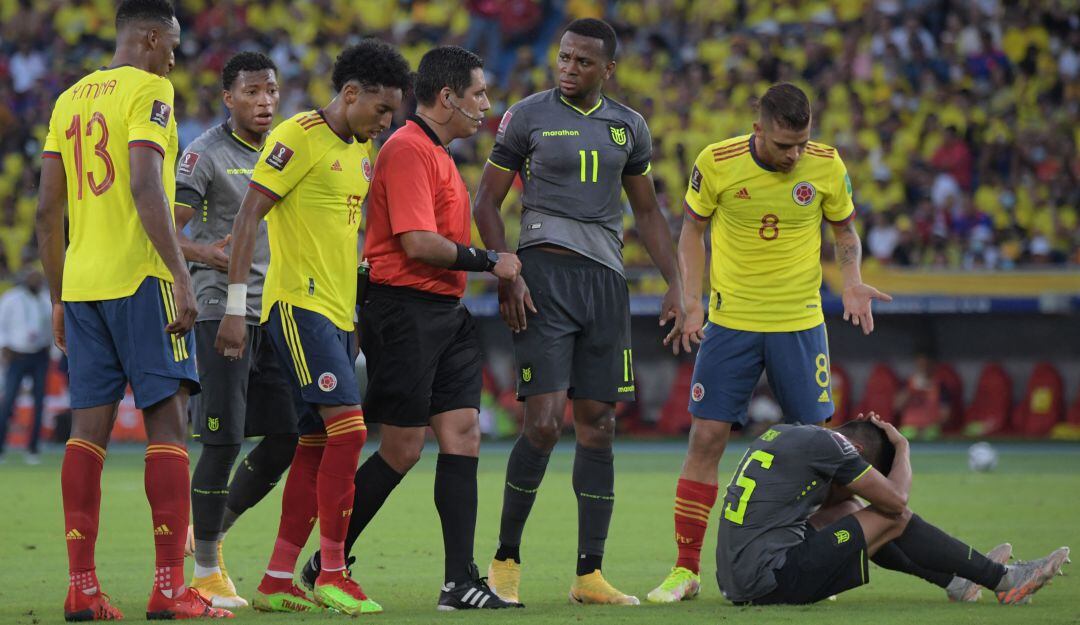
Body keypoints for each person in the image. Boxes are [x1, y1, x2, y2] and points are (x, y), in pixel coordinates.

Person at [647, 82, 892, 603]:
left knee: (820, 449)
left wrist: (851, 281)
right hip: (731, 322)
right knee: (706, 440)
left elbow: (845, 233)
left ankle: (806, 558)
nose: (794, 155)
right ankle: (685, 570)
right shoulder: (717, 162)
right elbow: (691, 231)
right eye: (784, 145)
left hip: (801, 324)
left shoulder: (826, 165)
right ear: (758, 130)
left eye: (802, 143)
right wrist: (692, 300)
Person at [298, 45, 523, 612]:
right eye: (478, 95)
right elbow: (418, 244)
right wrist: (491, 260)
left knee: (463, 434)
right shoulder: (405, 150)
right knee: (400, 448)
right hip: (404, 311)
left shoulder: (438, 152)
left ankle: (459, 581)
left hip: (444, 312)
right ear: (447, 97)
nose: (485, 107)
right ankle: (328, 561)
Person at [474, 17, 684, 606]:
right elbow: (486, 200)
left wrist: (678, 285)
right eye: (563, 58)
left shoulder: (629, 127)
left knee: (600, 423)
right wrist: (505, 267)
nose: (568, 68)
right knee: (543, 423)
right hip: (543, 279)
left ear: (607, 69)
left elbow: (646, 215)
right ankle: (505, 561)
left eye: (582, 62)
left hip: (605, 284)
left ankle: (589, 575)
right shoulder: (528, 115)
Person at [36, 0, 231, 619]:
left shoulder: (69, 99)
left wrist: (58, 297)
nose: (177, 55)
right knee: (169, 427)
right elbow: (148, 184)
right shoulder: (151, 89)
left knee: (85, 435)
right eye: (172, 42)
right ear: (149, 37)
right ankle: (171, 588)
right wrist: (180, 274)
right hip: (141, 280)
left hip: (85, 284)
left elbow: (47, 211)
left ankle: (82, 589)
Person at [215, 39, 410, 616]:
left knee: (315, 442)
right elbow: (249, 214)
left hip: (339, 310)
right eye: (380, 108)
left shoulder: (364, 149)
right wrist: (233, 306)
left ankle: (277, 578)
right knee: (349, 430)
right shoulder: (297, 135)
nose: (386, 120)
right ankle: (331, 571)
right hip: (297, 307)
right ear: (350, 94)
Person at [172, 51, 295, 609]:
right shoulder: (205, 154)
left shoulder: (286, 151)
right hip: (225, 308)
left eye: (270, 90)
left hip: (277, 309)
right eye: (251, 92)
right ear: (228, 98)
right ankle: (203, 572)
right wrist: (209, 256)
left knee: (285, 437)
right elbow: (165, 231)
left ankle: (206, 535)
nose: (264, 101)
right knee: (223, 440)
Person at [714, 415, 1070, 605]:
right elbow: (895, 501)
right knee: (890, 515)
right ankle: (1003, 579)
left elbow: (838, 502)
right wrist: (902, 449)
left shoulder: (791, 434)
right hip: (770, 580)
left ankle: (955, 580)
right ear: (852, 448)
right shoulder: (835, 448)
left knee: (852, 507)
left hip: (741, 577)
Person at [0, 268, 52, 465]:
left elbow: (53, 325)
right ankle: (1, 447)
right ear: (25, 279)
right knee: (8, 401)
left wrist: (51, 348)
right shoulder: (11, 298)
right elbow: (1, 323)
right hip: (17, 354)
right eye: (33, 278)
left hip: (39, 354)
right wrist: (4, 346)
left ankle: (33, 448)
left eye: (39, 279)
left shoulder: (45, 299)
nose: (37, 282)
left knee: (39, 403)